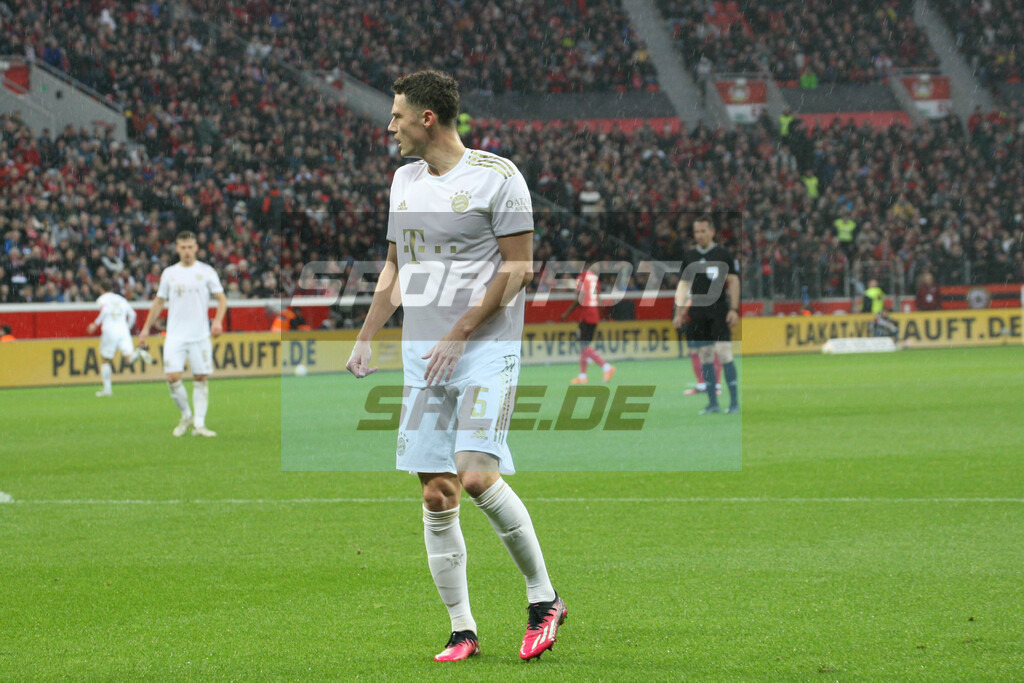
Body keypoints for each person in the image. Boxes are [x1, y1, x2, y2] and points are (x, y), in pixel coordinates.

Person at [345, 70, 565, 663]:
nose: (388, 126)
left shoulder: (498, 177)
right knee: (438, 493)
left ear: (427, 119)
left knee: (474, 475)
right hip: (423, 357)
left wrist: (460, 331)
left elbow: (519, 269)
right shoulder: (402, 181)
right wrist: (367, 337)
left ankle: (543, 599)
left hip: (486, 350)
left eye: (396, 116)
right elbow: (394, 268)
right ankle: (462, 628)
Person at [138, 231, 227, 437]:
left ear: (196, 248)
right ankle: (186, 415)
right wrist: (145, 328)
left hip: (200, 335)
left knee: (201, 377)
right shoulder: (169, 273)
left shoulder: (206, 271)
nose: (187, 251)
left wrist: (218, 322)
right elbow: (159, 301)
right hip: (176, 335)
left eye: (190, 247)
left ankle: (199, 424)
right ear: (177, 249)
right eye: (183, 247)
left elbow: (222, 299)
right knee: (172, 376)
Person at [672, 215, 741, 414]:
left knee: (724, 352)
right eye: (697, 232)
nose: (700, 235)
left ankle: (734, 403)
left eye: (703, 231)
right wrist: (678, 313)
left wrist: (734, 309)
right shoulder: (690, 256)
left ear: (712, 231)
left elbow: (734, 282)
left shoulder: (723, 254)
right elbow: (683, 286)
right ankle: (713, 404)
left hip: (718, 310)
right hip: (698, 312)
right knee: (705, 356)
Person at [86, 285, 155, 397]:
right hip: (123, 330)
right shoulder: (121, 299)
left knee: (105, 360)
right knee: (129, 357)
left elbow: (105, 310)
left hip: (110, 330)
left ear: (101, 290)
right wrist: (127, 327)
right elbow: (133, 314)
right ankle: (138, 353)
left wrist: (95, 323)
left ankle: (107, 389)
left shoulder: (102, 299)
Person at [560, 265, 615, 385]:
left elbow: (580, 298)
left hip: (586, 316)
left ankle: (606, 367)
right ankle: (582, 376)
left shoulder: (581, 278)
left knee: (583, 346)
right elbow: (597, 297)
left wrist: (567, 313)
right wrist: (600, 313)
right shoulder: (594, 278)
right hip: (593, 315)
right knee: (583, 346)